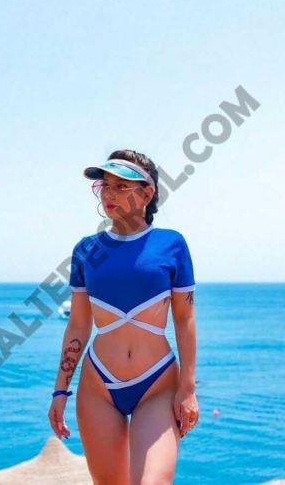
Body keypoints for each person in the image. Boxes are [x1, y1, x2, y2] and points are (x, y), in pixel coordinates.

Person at [48, 149, 199, 484]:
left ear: (147, 193)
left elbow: (184, 320)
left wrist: (187, 389)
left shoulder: (171, 244)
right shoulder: (87, 250)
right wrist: (60, 392)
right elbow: (78, 325)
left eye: (121, 186)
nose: (109, 194)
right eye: (105, 186)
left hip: (157, 385)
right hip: (98, 387)